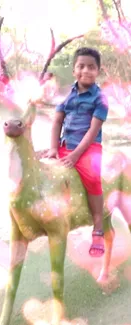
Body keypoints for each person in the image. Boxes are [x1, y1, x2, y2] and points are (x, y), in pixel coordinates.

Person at [47, 47, 109, 257]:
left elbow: (93, 130)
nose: (86, 70)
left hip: (88, 148)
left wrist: (75, 155)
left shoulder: (100, 99)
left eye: (91, 67)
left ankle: (98, 227)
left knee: (92, 178)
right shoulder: (66, 95)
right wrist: (54, 148)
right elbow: (57, 121)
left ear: (98, 71)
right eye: (81, 66)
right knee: (47, 170)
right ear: (74, 70)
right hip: (65, 145)